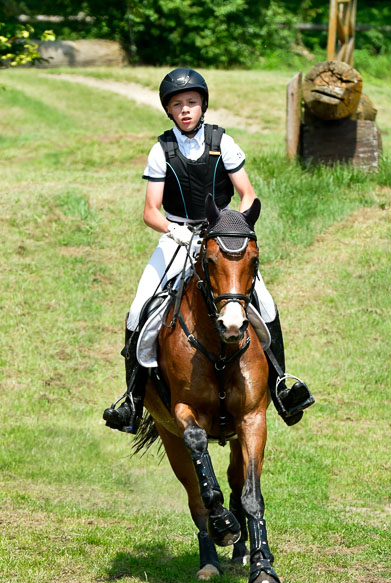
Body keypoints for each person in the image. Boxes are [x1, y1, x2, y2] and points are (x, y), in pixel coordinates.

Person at [103, 68, 313, 434]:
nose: (185, 109)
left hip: (223, 238)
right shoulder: (161, 150)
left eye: (191, 103)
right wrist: (177, 232)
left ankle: (281, 387)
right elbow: (150, 211)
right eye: (177, 104)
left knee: (265, 304)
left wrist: (235, 226)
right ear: (169, 111)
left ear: (203, 105)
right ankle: (133, 403)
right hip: (176, 236)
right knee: (138, 310)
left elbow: (248, 194)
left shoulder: (224, 142)